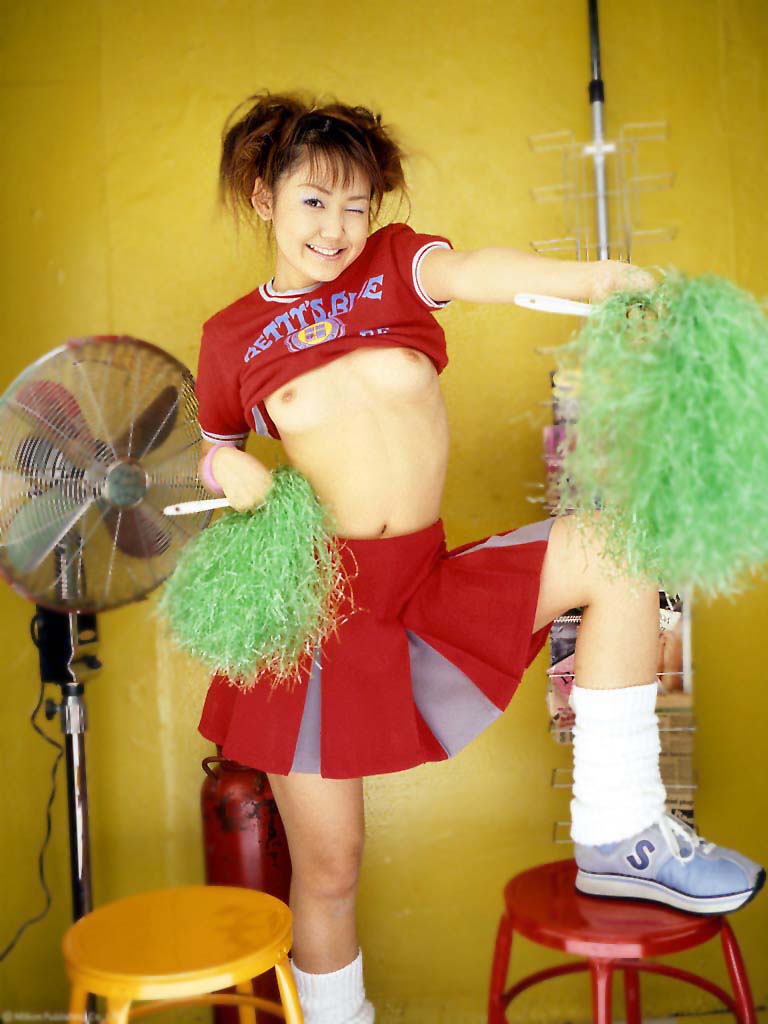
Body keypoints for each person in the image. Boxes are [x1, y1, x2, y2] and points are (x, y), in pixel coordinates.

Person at [194, 91, 764, 1024]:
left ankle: (620, 832)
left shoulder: (394, 265)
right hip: (313, 614)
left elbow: (478, 270)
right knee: (330, 869)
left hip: (420, 584)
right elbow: (208, 441)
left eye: (355, 205)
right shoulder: (232, 336)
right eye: (313, 202)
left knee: (617, 549)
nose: (336, 228)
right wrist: (230, 469)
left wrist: (597, 279)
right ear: (266, 199)